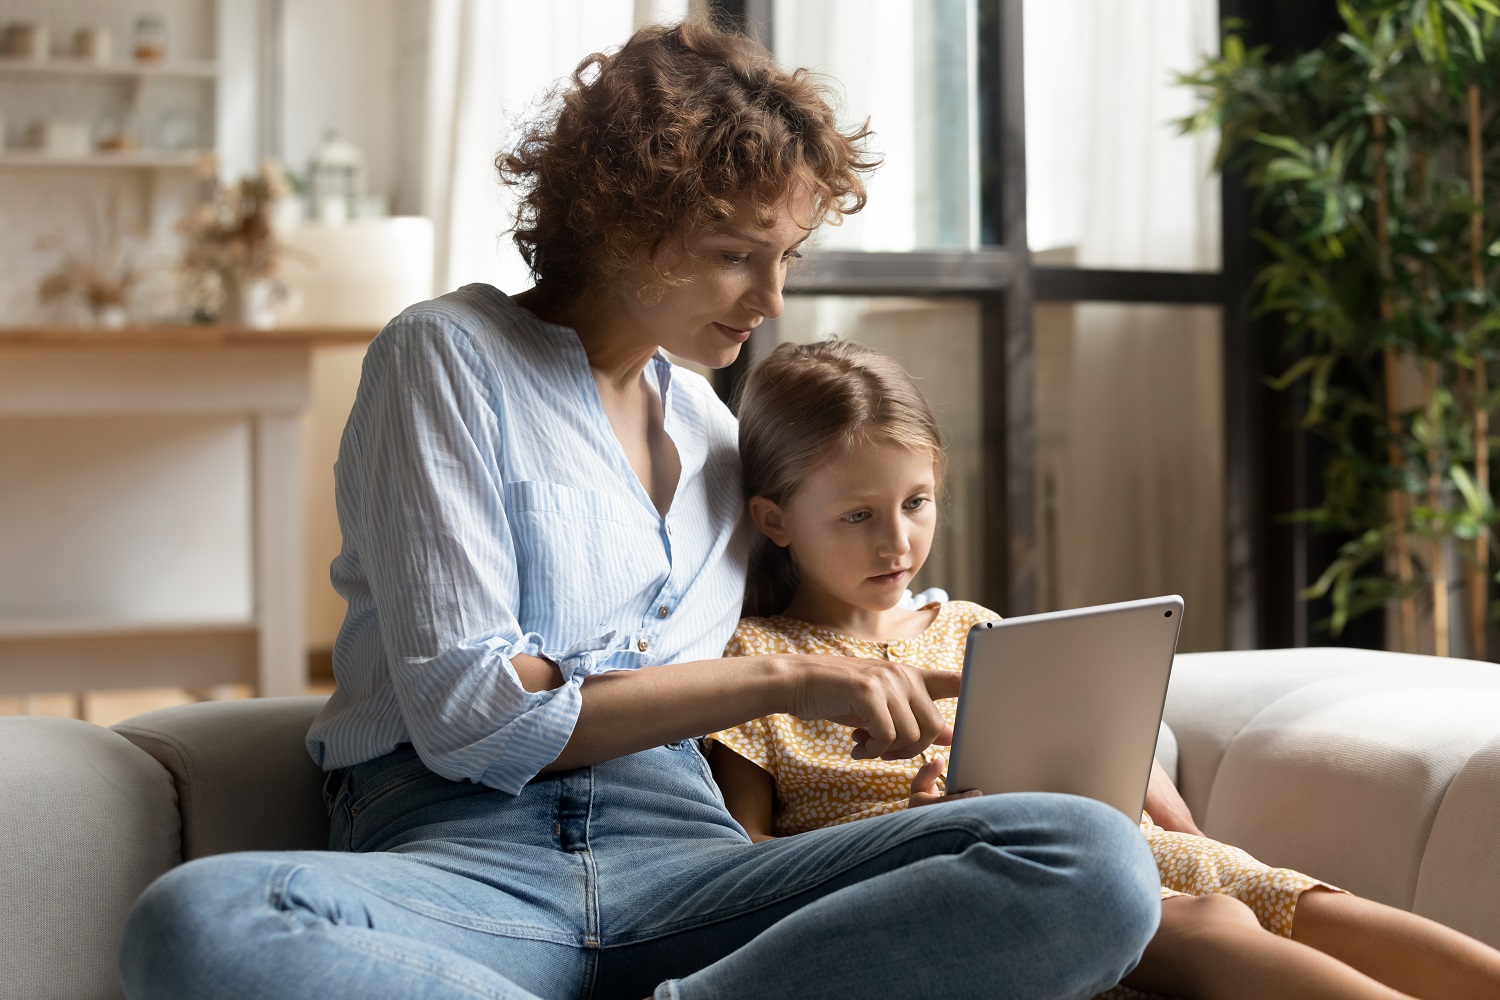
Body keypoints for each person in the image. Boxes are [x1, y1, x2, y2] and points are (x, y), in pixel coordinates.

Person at [116, 18, 1161, 1000]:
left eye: (786, 256)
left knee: (1092, 859)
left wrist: (940, 698)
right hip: (467, 865)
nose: (772, 299)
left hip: (692, 867)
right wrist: (786, 676)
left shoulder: (716, 434)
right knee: (205, 920)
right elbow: (478, 718)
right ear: (625, 219)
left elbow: (827, 604)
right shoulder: (446, 355)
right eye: (736, 252)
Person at [707, 336, 1500, 1000]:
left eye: (917, 503)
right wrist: (922, 828)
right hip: (960, 882)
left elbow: (1114, 779)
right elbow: (743, 869)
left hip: (1100, 838)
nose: (897, 543)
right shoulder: (759, 664)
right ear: (775, 519)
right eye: (857, 516)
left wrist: (1151, 803)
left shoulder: (977, 630)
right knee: (1204, 921)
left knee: (1275, 893)